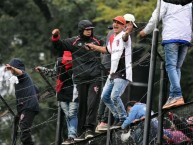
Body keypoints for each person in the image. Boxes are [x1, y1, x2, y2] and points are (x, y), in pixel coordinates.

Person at [51, 20, 104, 140]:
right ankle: (81, 131)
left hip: (95, 77)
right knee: (82, 105)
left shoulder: (97, 40)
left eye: (91, 29)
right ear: (81, 30)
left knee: (92, 102)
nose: (89, 31)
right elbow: (58, 45)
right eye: (87, 29)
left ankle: (90, 128)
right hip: (80, 78)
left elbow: (109, 47)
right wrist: (55, 36)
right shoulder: (73, 42)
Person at [139, 1, 192, 109]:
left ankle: (177, 95)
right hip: (186, 37)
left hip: (171, 36)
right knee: (177, 67)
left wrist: (145, 31)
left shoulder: (165, 1)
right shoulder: (188, 2)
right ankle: (173, 97)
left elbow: (155, 17)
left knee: (171, 66)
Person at [86, 15, 135, 128]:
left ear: (123, 26)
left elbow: (126, 37)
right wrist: (93, 46)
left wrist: (128, 32)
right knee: (104, 97)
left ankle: (123, 118)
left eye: (118, 23)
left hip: (122, 73)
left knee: (114, 96)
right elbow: (106, 50)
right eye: (114, 22)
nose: (115, 24)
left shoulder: (124, 36)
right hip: (112, 74)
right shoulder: (113, 37)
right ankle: (117, 116)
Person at [35, 51, 79, 144]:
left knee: (72, 114)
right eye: (66, 60)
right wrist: (42, 69)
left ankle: (72, 136)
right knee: (67, 115)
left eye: (69, 60)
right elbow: (54, 73)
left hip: (74, 92)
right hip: (62, 92)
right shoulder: (59, 63)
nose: (68, 62)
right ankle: (73, 135)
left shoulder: (77, 64)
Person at [5, 58, 39, 145]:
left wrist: (12, 68)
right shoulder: (20, 81)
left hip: (28, 107)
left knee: (24, 133)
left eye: (12, 68)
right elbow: (36, 89)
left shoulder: (23, 76)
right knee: (22, 132)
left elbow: (20, 72)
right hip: (26, 107)